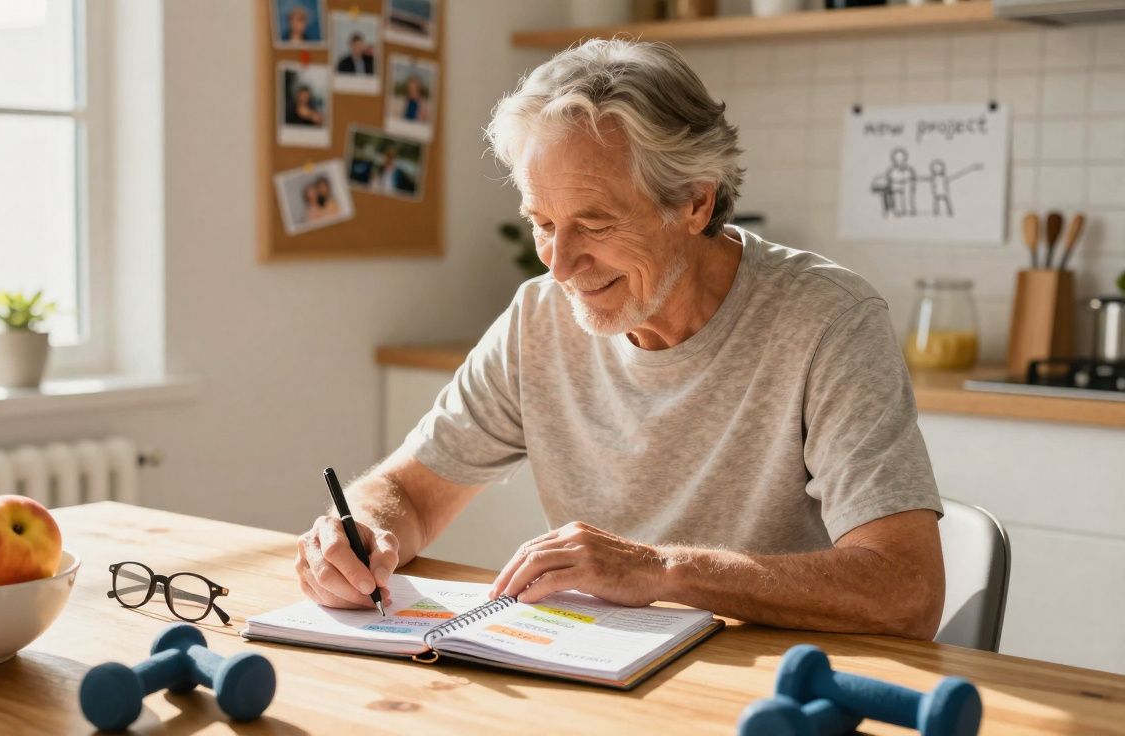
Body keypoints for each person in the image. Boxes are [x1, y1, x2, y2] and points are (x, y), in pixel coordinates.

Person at [295, 39, 945, 640]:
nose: (558, 264)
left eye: (594, 224)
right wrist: (359, 533)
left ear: (694, 203)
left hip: (776, 692)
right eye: (541, 222)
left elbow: (905, 589)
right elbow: (407, 494)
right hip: (602, 679)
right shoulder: (537, 321)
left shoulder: (828, 320)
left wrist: (661, 570)